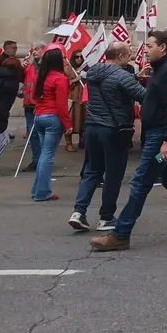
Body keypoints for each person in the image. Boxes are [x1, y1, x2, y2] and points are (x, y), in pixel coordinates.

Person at [91, 30, 167, 251]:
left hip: (161, 135)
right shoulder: (162, 69)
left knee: (141, 182)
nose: (146, 49)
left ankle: (121, 233)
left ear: (162, 47)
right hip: (158, 132)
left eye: (150, 45)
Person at [68, 42, 146, 232]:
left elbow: (111, 84)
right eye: (128, 55)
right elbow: (143, 95)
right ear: (120, 57)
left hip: (92, 127)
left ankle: (78, 212)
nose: (131, 58)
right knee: (113, 174)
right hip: (114, 129)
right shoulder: (122, 75)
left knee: (91, 170)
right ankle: (106, 217)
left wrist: (135, 76)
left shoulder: (94, 72)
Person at [31, 46, 72, 202]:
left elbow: (35, 97)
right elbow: (62, 105)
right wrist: (68, 124)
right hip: (53, 117)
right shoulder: (60, 78)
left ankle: (38, 189)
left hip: (40, 116)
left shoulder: (39, 76)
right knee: (47, 156)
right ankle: (42, 192)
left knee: (43, 155)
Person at [20, 42, 45, 171]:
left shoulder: (46, 66)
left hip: (41, 105)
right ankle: (36, 160)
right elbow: (20, 79)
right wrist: (20, 67)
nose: (34, 52)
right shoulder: (28, 66)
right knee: (33, 133)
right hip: (29, 104)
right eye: (31, 50)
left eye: (36, 49)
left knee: (41, 133)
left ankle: (43, 160)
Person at [65, 49, 87, 152]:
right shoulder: (68, 69)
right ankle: (68, 143)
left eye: (81, 57)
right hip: (72, 97)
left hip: (83, 97)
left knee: (83, 119)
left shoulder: (86, 69)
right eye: (77, 57)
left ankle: (82, 141)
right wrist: (75, 79)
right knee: (71, 119)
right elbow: (64, 84)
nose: (79, 59)